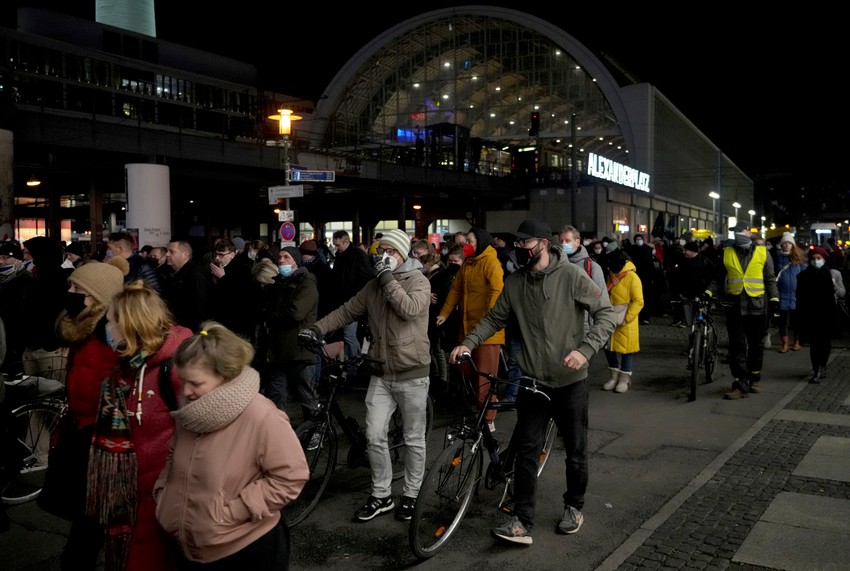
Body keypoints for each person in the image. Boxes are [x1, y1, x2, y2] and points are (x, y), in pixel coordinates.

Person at [449, 219, 616, 545]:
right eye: (517, 245)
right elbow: (495, 318)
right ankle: (522, 520)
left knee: (576, 451)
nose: (518, 250)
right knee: (526, 451)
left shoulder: (571, 276)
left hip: (570, 382)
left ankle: (574, 507)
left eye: (525, 245)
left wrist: (585, 351)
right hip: (532, 381)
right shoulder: (516, 282)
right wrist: (468, 343)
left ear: (542, 243)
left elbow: (606, 314)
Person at [153, 322, 308, 571]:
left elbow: (291, 477)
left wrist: (234, 511)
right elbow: (174, 455)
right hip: (193, 549)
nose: (186, 391)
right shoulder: (191, 412)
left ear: (224, 376)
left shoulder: (262, 416)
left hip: (248, 550)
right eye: (183, 381)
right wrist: (164, 495)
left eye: (195, 383)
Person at [300, 228, 430, 523]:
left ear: (403, 254)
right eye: (381, 251)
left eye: (391, 251)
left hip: (412, 373)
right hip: (381, 372)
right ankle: (382, 494)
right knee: (373, 436)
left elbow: (409, 310)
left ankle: (411, 493)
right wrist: (317, 328)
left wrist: (386, 279)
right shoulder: (373, 286)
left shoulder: (418, 281)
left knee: (413, 438)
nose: (384, 257)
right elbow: (346, 311)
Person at [91, 281, 194, 571]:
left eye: (111, 321)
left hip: (165, 499)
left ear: (131, 325)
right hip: (132, 498)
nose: (106, 327)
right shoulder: (126, 368)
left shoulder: (174, 369)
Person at [53, 258, 127, 570]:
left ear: (97, 295)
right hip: (81, 429)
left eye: (77, 289)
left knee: (92, 518)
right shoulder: (80, 326)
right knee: (88, 514)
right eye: (70, 286)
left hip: (103, 436)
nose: (70, 293)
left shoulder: (111, 332)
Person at [436, 227, 504, 431]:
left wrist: (489, 320)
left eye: (471, 241)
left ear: (481, 242)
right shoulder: (468, 264)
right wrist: (445, 313)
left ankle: (488, 419)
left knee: (484, 379)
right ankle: (481, 410)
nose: (467, 245)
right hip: (466, 330)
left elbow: (496, 291)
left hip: (487, 334)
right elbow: (456, 290)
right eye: (466, 241)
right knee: (467, 373)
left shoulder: (491, 262)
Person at [707, 223, 779, 400]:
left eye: (742, 231)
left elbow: (769, 279)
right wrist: (709, 292)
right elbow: (718, 277)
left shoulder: (763, 252)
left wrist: (775, 299)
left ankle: (755, 377)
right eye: (735, 232)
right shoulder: (727, 252)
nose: (739, 234)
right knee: (737, 346)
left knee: (756, 344)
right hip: (735, 306)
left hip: (757, 306)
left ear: (750, 233)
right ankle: (740, 383)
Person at [261, 247, 320, 423]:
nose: (281, 260)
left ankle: (315, 429)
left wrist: (271, 317)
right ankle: (278, 430)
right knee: (275, 395)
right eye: (279, 257)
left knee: (306, 395)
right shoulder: (280, 283)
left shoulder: (307, 283)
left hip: (299, 350)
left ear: (296, 261)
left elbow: (296, 313)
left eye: (286, 257)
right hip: (278, 351)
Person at [796, 247, 846, 383]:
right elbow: (800, 296)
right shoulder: (804, 275)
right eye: (813, 258)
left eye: (819, 258)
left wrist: (834, 286)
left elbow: (842, 293)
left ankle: (822, 366)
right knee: (814, 344)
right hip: (811, 314)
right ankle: (817, 368)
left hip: (827, 314)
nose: (816, 261)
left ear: (824, 259)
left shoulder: (832, 274)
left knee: (824, 343)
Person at [601, 248, 644, 393]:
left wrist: (627, 318)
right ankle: (613, 376)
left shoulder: (632, 277)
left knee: (627, 351)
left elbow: (638, 300)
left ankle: (624, 378)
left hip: (625, 318)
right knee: (608, 348)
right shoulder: (611, 275)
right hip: (610, 316)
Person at [331, 230, 374, 359]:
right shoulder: (341, 255)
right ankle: (354, 363)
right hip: (344, 301)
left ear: (346, 242)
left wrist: (355, 294)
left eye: (338, 245)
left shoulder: (358, 255)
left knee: (349, 335)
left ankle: (354, 365)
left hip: (353, 301)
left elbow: (367, 277)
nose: (336, 248)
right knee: (349, 336)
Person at [161, 240, 208, 332]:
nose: (167, 254)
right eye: (167, 251)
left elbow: (201, 308)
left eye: (172, 251)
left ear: (185, 255)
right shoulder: (172, 274)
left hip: (190, 331)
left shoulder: (195, 275)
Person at [773, 232, 806, 353]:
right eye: (784, 243)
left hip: (796, 295)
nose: (786, 245)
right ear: (781, 245)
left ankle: (797, 341)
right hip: (782, 294)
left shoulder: (799, 259)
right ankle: (785, 343)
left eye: (789, 243)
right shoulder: (776, 258)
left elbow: (805, 276)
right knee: (783, 322)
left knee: (796, 321)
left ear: (793, 245)